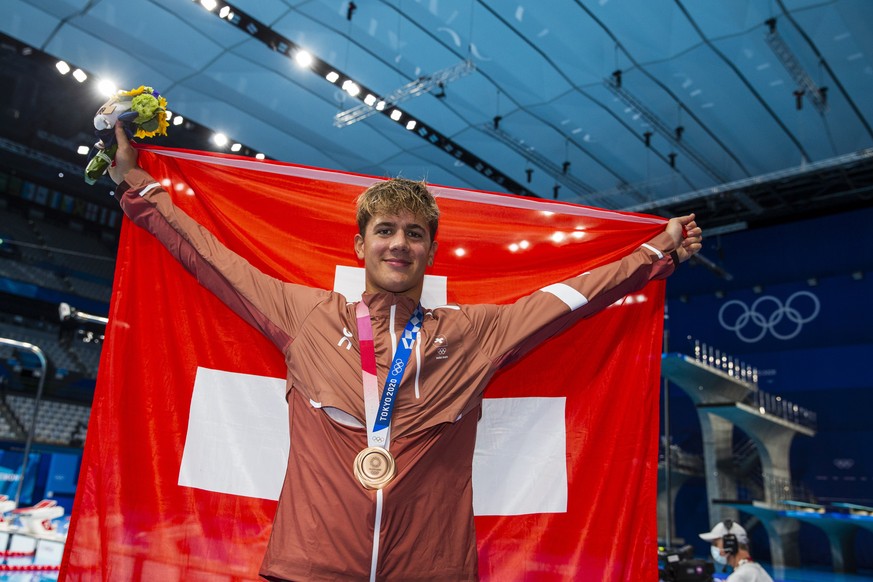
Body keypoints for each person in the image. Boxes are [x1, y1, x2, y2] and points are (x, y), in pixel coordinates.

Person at [107, 122, 702, 581]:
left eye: (414, 233)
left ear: (431, 251)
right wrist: (136, 184)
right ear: (360, 244)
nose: (398, 243)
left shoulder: (475, 333)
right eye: (385, 230)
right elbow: (211, 258)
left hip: (430, 569)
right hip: (311, 567)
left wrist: (657, 254)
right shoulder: (307, 315)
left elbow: (572, 298)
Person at [699, 520, 774, 582]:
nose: (714, 548)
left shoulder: (740, 576)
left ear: (729, 544)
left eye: (716, 544)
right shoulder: (753, 570)